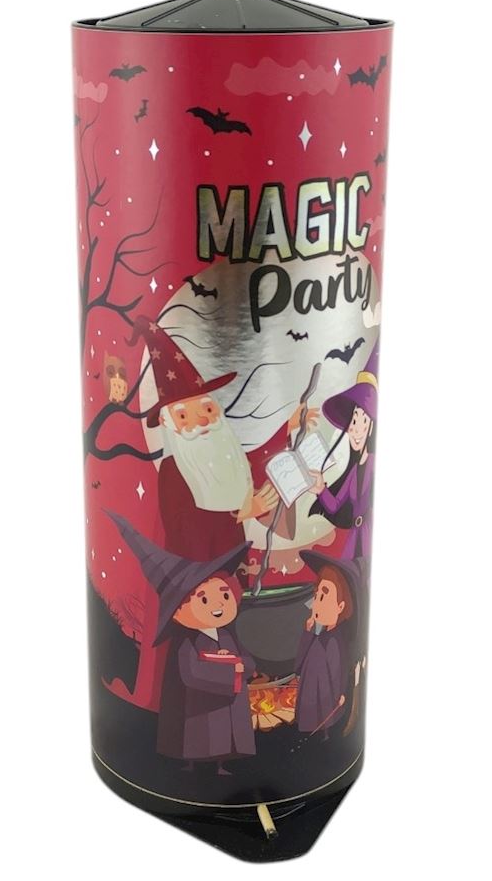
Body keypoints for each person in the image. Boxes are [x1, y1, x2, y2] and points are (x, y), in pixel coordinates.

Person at [128, 315, 317, 562]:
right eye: (184, 416)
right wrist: (241, 512)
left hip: (232, 562)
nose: (202, 421)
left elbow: (253, 460)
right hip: (196, 571)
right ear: (167, 422)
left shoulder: (225, 459)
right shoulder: (172, 471)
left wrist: (289, 427)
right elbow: (182, 525)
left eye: (207, 409)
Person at [107, 512, 256, 773]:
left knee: (223, 740)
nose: (219, 605)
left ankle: (222, 765)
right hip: (200, 710)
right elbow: (192, 673)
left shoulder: (226, 636)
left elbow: (247, 660)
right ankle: (192, 765)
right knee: (200, 740)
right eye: (204, 599)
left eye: (224, 594)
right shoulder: (187, 643)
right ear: (177, 612)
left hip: (224, 709)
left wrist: (244, 667)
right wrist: (231, 674)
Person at [308, 343, 378, 560]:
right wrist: (321, 488)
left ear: (372, 426)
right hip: (354, 539)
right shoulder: (354, 470)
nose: (355, 430)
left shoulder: (374, 464)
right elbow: (336, 506)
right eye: (353, 421)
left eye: (362, 421)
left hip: (366, 537)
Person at [294, 551, 358, 739]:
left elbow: (338, 674)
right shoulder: (318, 636)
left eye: (324, 597)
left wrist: (341, 695)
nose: (316, 604)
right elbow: (298, 667)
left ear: (340, 607)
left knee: (320, 737)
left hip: (324, 711)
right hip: (309, 704)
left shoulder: (334, 641)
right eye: (316, 596)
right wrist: (308, 632)